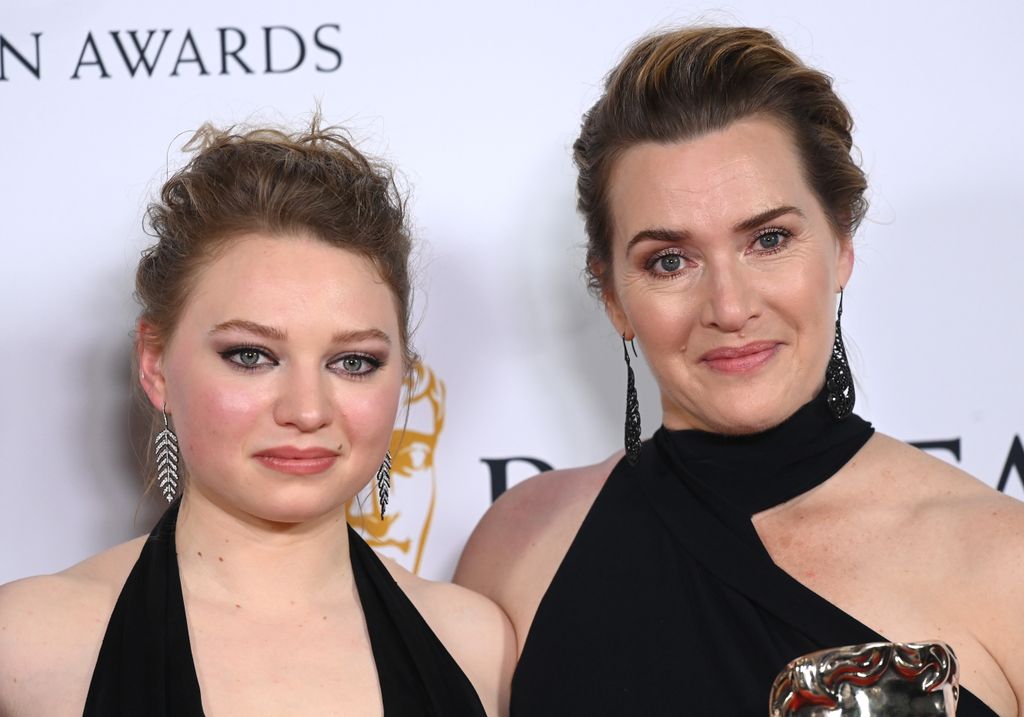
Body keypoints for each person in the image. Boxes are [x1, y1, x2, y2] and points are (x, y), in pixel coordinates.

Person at [455, 26, 1024, 716]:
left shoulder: (1004, 559)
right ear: (612, 296)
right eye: (670, 260)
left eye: (769, 239)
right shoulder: (520, 549)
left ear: (842, 244)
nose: (729, 306)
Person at [0, 120, 513, 716]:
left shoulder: (477, 648)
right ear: (156, 365)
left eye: (353, 361)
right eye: (251, 356)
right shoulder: (28, 647)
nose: (307, 410)